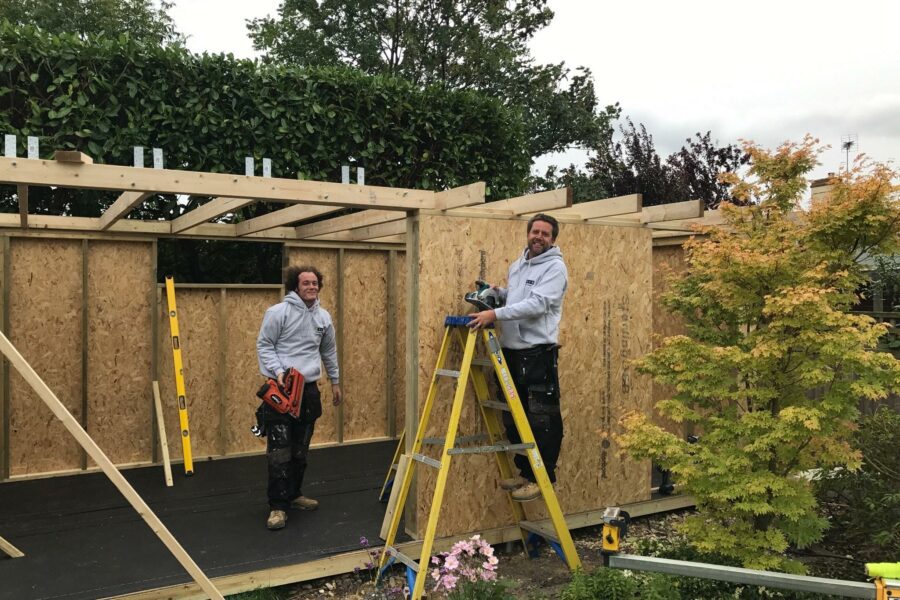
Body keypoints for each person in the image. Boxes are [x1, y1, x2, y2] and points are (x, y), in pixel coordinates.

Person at [468, 213, 568, 502]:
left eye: (545, 234)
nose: (538, 236)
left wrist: (493, 314)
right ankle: (526, 473)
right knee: (515, 417)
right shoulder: (518, 265)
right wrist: (498, 294)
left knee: (542, 418)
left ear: (553, 239)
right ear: (528, 233)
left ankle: (543, 477)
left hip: (537, 355)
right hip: (512, 352)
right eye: (535, 231)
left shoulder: (555, 268)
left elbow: (537, 305)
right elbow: (520, 297)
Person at [257, 265, 342, 530]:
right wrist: (279, 371)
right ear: (296, 285)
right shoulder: (278, 313)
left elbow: (329, 351)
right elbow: (265, 345)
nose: (311, 287)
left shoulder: (323, 318)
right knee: (279, 452)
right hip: (282, 389)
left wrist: (336, 382)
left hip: (309, 390)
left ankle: (294, 495)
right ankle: (277, 507)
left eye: (315, 283)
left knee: (300, 451)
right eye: (306, 283)